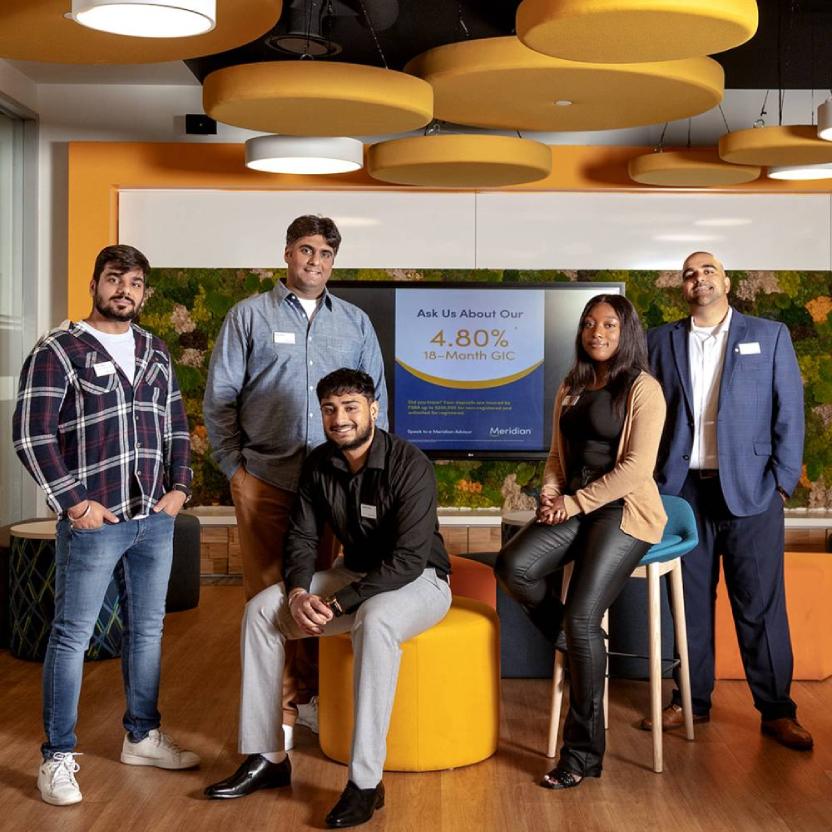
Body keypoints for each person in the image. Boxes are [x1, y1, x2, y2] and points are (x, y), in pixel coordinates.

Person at [204, 368, 451, 828]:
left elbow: (407, 561)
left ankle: (365, 783)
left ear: (373, 410)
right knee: (261, 610)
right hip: (352, 574)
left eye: (351, 407)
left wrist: (337, 605)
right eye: (330, 409)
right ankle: (269, 757)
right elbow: (300, 536)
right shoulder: (319, 464)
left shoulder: (410, 463)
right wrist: (298, 593)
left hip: (421, 582)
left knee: (375, 619)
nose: (340, 418)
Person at [13, 244, 199, 807]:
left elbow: (178, 425)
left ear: (143, 292)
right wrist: (74, 504)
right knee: (71, 637)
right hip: (94, 522)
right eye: (115, 279)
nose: (126, 290)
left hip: (154, 520)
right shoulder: (58, 349)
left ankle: (141, 735)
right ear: (95, 284)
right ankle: (58, 758)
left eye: (136, 282)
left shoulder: (156, 351)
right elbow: (31, 434)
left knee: (147, 632)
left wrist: (181, 488)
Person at [203, 215, 387, 746]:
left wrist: (365, 477)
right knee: (270, 597)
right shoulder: (248, 316)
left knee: (321, 596)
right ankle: (280, 713)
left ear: (334, 260)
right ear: (287, 253)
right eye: (306, 250)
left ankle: (309, 700)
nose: (315, 261)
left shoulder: (354, 322)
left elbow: (378, 403)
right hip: (265, 478)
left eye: (326, 253)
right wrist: (234, 469)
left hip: (334, 485)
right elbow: (220, 400)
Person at [495, 294, 666, 789]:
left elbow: (637, 469)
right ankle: (579, 643)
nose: (597, 332)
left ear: (626, 330)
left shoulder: (643, 388)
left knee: (584, 616)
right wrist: (552, 492)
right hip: (572, 503)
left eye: (609, 324)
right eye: (590, 324)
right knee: (513, 566)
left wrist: (574, 502)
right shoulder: (571, 385)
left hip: (622, 510)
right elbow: (555, 454)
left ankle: (583, 755)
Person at [643, 251, 812, 750]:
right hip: (682, 492)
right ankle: (691, 702)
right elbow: (648, 412)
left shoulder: (769, 334)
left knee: (760, 605)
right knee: (688, 604)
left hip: (753, 489)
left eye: (708, 271)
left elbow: (790, 411)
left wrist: (782, 480)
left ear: (727, 281)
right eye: (690, 274)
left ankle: (777, 710)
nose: (699, 280)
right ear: (683, 288)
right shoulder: (660, 341)